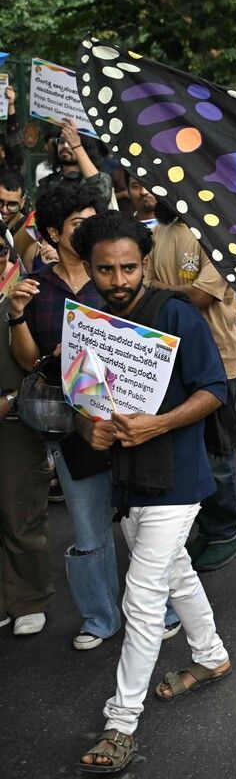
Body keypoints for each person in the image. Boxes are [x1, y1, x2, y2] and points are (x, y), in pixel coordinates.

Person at [71, 211, 230, 774]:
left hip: (178, 476)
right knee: (174, 571)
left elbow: (214, 389)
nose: (118, 281)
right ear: (87, 267)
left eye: (129, 268)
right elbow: (85, 396)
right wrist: (89, 424)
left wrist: (159, 425)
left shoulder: (176, 312)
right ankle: (210, 657)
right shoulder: (88, 319)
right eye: (105, 270)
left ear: (144, 261)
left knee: (142, 595)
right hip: (127, 478)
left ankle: (122, 722)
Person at [6, 183, 133, 650]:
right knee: (87, 525)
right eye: (78, 225)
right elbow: (26, 362)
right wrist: (18, 316)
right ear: (55, 232)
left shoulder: (116, 277)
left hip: (130, 417)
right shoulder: (37, 289)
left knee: (142, 520)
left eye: (93, 221)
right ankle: (100, 617)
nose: (90, 231)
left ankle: (155, 609)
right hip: (71, 423)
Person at [145, 201, 236, 571]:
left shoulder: (213, 230)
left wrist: (156, 287)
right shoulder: (158, 232)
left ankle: (227, 533)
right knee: (192, 451)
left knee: (218, 453)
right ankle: (208, 527)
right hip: (171, 359)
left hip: (218, 359)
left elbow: (202, 296)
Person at [0, 243, 54, 636]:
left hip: (14, 423)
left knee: (21, 515)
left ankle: (28, 600)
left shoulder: (22, 294)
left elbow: (35, 361)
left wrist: (14, 399)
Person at [36, 119, 114, 205]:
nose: (65, 146)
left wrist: (76, 145)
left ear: (84, 147)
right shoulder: (47, 183)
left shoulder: (102, 179)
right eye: (61, 141)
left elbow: (102, 196)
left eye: (70, 142)